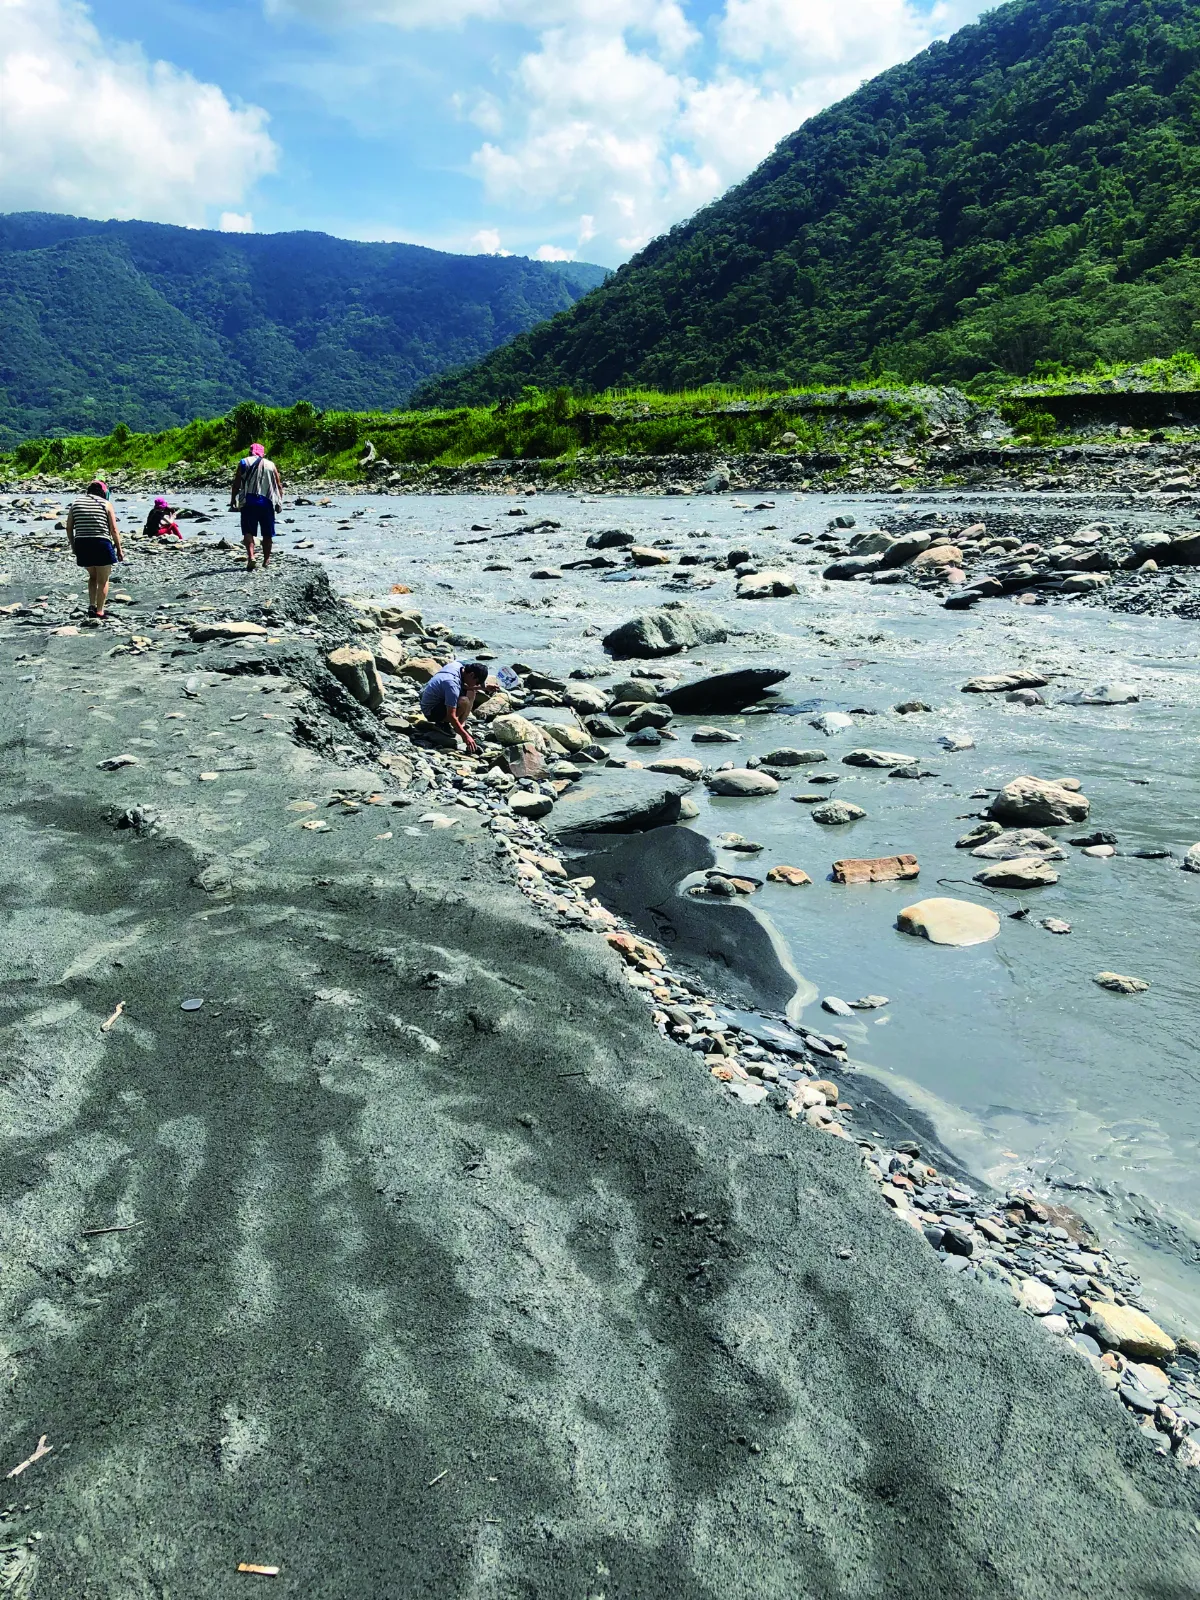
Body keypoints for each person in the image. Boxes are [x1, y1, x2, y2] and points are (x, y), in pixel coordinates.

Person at [65, 479, 124, 619]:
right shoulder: (106, 504)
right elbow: (114, 530)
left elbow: (69, 527)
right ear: (104, 492)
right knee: (103, 579)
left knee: (93, 576)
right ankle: (100, 611)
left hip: (82, 544)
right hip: (101, 543)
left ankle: (91, 605)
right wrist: (119, 549)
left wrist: (73, 546)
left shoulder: (75, 503)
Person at [229, 442, 283, 571]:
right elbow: (278, 485)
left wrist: (233, 500)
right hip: (267, 502)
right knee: (267, 533)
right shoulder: (271, 465)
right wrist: (279, 502)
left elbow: (236, 484)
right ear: (263, 453)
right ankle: (266, 560)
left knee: (248, 531)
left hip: (249, 502)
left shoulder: (243, 462)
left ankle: (251, 557)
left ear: (250, 452)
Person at [418, 661, 489, 753]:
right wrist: (465, 737)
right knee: (464, 701)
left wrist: (484, 688)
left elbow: (463, 686)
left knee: (471, 691)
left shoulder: (457, 666)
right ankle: (443, 724)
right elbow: (451, 715)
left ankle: (461, 725)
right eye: (477, 682)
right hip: (431, 711)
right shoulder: (452, 684)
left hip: (433, 697)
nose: (477, 685)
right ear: (471, 675)